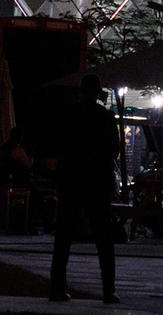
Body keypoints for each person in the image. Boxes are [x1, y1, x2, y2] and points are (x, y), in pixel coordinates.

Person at [47, 84, 121, 303]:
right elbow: (114, 149)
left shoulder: (69, 115)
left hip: (71, 180)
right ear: (98, 93)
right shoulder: (105, 117)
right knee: (104, 239)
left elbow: (59, 145)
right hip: (97, 181)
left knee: (63, 236)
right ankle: (108, 290)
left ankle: (57, 287)